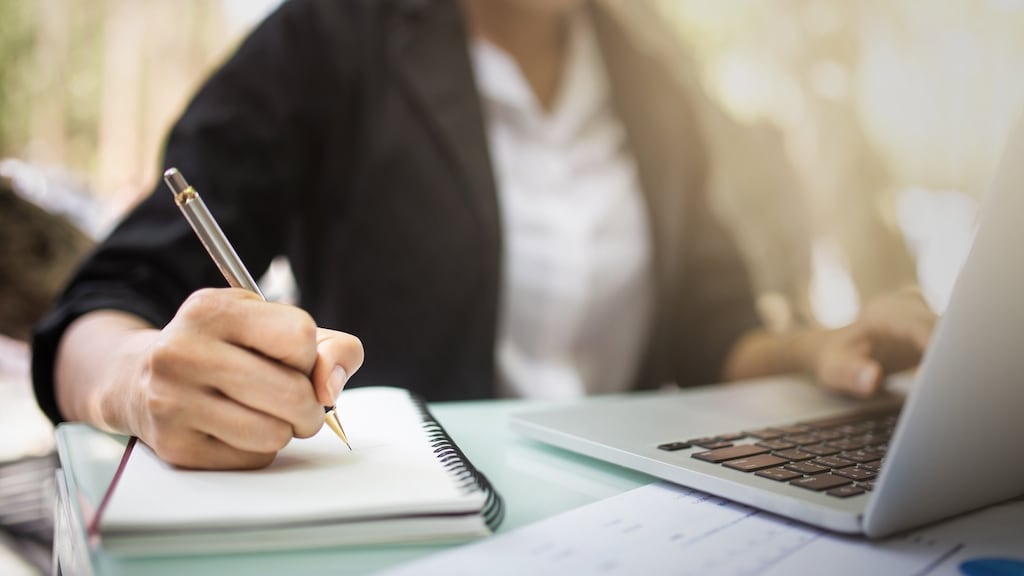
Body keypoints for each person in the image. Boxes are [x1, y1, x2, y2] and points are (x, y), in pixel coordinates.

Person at [31, 0, 935, 471]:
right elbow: (101, 308)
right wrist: (136, 387)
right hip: (403, 522)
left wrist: (817, 351)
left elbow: (710, 331)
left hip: (619, 521)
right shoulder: (333, 39)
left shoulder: (654, 79)